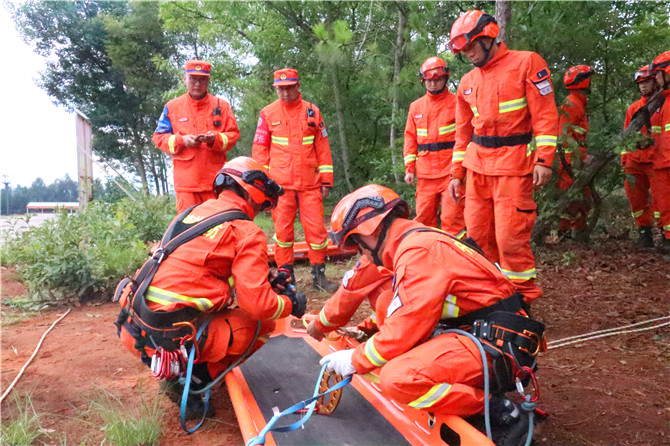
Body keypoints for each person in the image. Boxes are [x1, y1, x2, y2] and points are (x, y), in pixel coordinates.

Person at [317, 184, 545, 446]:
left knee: (398, 379)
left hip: (499, 346)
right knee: (384, 303)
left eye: (358, 244)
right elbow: (406, 307)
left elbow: (406, 325)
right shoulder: (415, 241)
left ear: (372, 232)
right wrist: (367, 329)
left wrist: (355, 359)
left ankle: (500, 411)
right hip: (484, 333)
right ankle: (462, 387)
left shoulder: (418, 252)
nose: (362, 253)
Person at [115, 156, 306, 419]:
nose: (260, 210)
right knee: (262, 324)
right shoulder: (246, 231)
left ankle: (180, 371)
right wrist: (290, 303)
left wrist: (263, 277)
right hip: (171, 339)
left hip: (133, 328)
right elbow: (258, 305)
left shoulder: (190, 215)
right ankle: (191, 381)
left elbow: (199, 272)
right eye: (263, 204)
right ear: (255, 193)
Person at [447, 10, 558, 302]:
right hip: (477, 168)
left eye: (472, 46)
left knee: (510, 239)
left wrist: (544, 160)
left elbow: (545, 115)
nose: (469, 54)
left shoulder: (527, 63)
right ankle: (490, 295)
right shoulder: (467, 81)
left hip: (513, 165)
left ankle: (522, 298)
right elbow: (462, 134)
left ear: (489, 37)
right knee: (477, 238)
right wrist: (456, 173)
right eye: (464, 50)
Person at [252, 68, 338, 292]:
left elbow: (322, 147)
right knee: (283, 234)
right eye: (281, 89)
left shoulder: (312, 112)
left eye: (289, 88)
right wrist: (263, 185)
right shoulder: (268, 113)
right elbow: (260, 150)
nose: (285, 93)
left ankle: (319, 276)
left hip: (310, 184)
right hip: (280, 188)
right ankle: (286, 278)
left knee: (317, 232)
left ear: (298, 86)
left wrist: (326, 180)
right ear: (276, 89)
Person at [153, 60, 240, 213]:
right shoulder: (172, 107)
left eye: (202, 79)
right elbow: (159, 138)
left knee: (216, 224)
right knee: (188, 225)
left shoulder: (222, 106)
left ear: (208, 81)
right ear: (185, 79)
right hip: (186, 186)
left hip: (216, 182)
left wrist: (215, 139)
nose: (198, 84)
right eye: (193, 79)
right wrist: (181, 141)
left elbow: (233, 135)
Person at [403, 57, 465, 236]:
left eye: (437, 80)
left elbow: (465, 137)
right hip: (425, 174)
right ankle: (427, 251)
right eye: (429, 81)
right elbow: (410, 139)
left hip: (450, 172)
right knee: (423, 220)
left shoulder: (457, 103)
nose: (433, 84)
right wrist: (409, 169)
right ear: (423, 81)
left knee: (453, 220)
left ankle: (455, 251)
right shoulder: (416, 107)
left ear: (445, 78)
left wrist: (459, 171)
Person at [622, 65, 662, 247]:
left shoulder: (664, 105)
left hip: (656, 160)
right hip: (635, 161)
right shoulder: (634, 108)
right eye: (640, 83)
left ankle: (665, 232)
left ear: (655, 82)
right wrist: (624, 161)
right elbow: (625, 136)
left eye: (646, 82)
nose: (643, 86)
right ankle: (644, 232)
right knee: (636, 199)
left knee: (662, 199)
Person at [556, 65, 595, 240]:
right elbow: (564, 137)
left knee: (580, 198)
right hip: (569, 162)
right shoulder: (572, 104)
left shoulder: (577, 102)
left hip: (573, 160)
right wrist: (581, 158)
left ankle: (579, 234)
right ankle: (565, 235)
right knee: (571, 199)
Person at [650, 51, 670, 254]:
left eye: (658, 73)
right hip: (663, 162)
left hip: (666, 162)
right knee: (664, 204)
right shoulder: (665, 102)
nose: (656, 78)